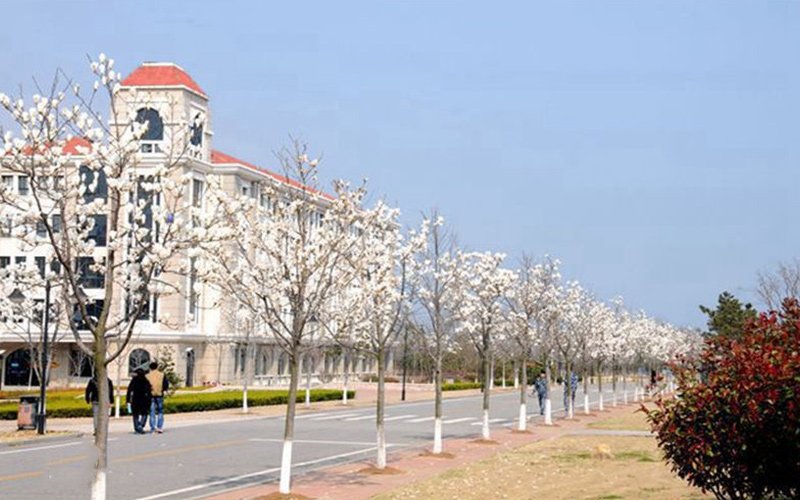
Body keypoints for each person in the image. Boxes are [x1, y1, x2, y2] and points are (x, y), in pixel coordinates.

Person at [146, 361, 169, 434]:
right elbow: (166, 385)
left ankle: (153, 428)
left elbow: (146, 386)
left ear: (150, 367)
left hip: (151, 395)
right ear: (157, 367)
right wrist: (163, 390)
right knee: (160, 411)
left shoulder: (147, 376)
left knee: (152, 412)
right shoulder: (162, 375)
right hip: (160, 394)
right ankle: (160, 427)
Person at [126, 368, 152, 434]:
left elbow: (129, 390)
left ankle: (137, 427)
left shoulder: (134, 381)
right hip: (144, 400)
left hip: (135, 399)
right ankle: (141, 425)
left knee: (135, 415)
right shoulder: (146, 381)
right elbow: (149, 392)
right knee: (144, 414)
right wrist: (149, 400)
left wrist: (128, 400)